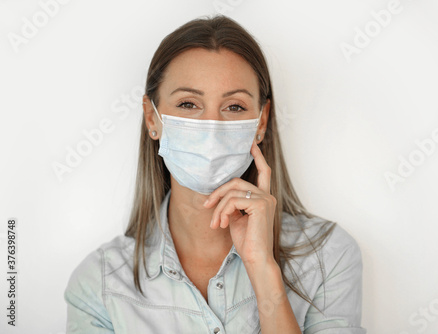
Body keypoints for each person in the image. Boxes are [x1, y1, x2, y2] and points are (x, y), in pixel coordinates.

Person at [64, 15, 366, 334]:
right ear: (152, 118)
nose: (211, 126)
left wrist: (263, 270)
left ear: (261, 122)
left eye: (234, 107)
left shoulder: (327, 255)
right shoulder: (99, 284)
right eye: (188, 104)